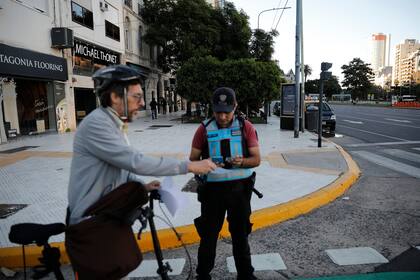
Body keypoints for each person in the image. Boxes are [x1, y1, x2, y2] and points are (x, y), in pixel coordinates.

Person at [65, 65, 216, 279]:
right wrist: (188, 166)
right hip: (90, 225)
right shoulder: (96, 124)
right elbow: (134, 161)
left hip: (106, 218)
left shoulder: (114, 124)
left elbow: (122, 166)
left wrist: (142, 186)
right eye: (137, 97)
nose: (142, 103)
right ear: (116, 97)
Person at [190, 87, 261, 280]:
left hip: (240, 192)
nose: (222, 116)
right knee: (208, 237)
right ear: (212, 109)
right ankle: (203, 275)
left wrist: (242, 162)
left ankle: (246, 275)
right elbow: (193, 161)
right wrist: (205, 165)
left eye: (226, 111)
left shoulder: (246, 127)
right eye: (218, 111)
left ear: (235, 106)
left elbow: (256, 160)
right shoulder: (203, 129)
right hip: (212, 193)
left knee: (240, 236)